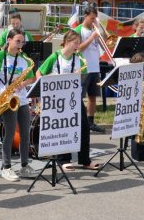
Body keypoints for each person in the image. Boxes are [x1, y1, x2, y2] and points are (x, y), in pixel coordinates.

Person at [36, 30, 100, 171]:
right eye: (75, 43)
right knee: (62, 128)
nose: (77, 46)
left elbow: (83, 76)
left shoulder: (79, 58)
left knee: (83, 127)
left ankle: (85, 160)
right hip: (58, 99)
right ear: (66, 42)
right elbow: (39, 72)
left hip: (73, 98)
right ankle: (63, 159)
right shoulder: (55, 57)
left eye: (78, 43)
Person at [0, 29, 38, 182]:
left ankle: (24, 165)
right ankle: (6, 167)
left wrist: (23, 83)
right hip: (6, 99)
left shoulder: (24, 59)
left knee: (25, 133)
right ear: (9, 40)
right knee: (10, 133)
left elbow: (32, 78)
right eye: (18, 41)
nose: (20, 44)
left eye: (22, 42)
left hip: (22, 99)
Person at [74, 6, 106, 133]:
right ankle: (80, 122)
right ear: (85, 16)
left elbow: (103, 44)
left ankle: (90, 122)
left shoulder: (94, 29)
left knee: (93, 97)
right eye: (92, 18)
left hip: (95, 68)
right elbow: (78, 49)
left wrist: (100, 32)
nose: (93, 21)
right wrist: (92, 37)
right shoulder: (79, 30)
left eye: (95, 18)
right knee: (80, 97)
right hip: (83, 69)